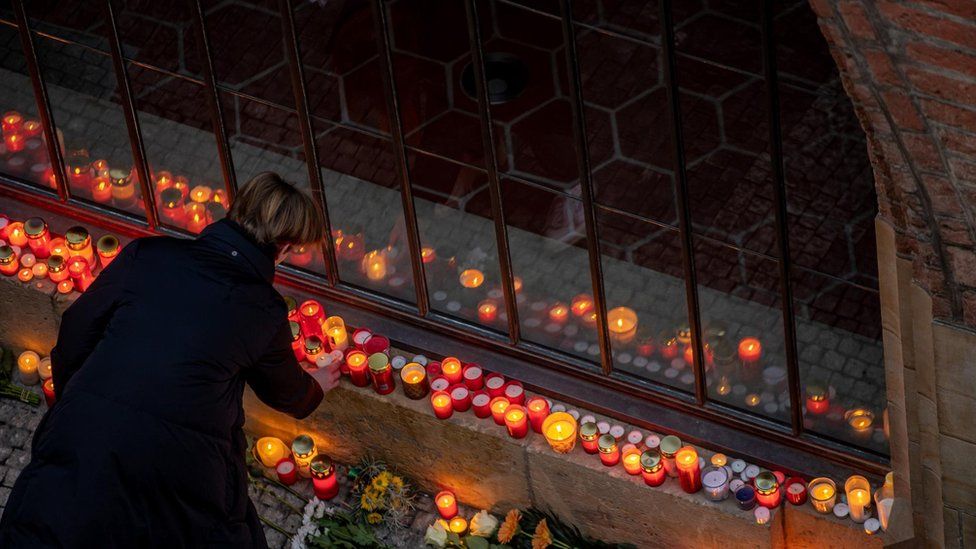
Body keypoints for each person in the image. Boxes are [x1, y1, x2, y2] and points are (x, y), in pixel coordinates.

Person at [0, 173, 341, 548]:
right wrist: (316, 387)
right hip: (183, 463)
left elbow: (77, 328)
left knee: (54, 523)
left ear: (237, 209)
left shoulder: (148, 255)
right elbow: (287, 393)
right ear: (286, 247)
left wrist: (80, 404)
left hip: (86, 427)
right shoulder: (261, 307)